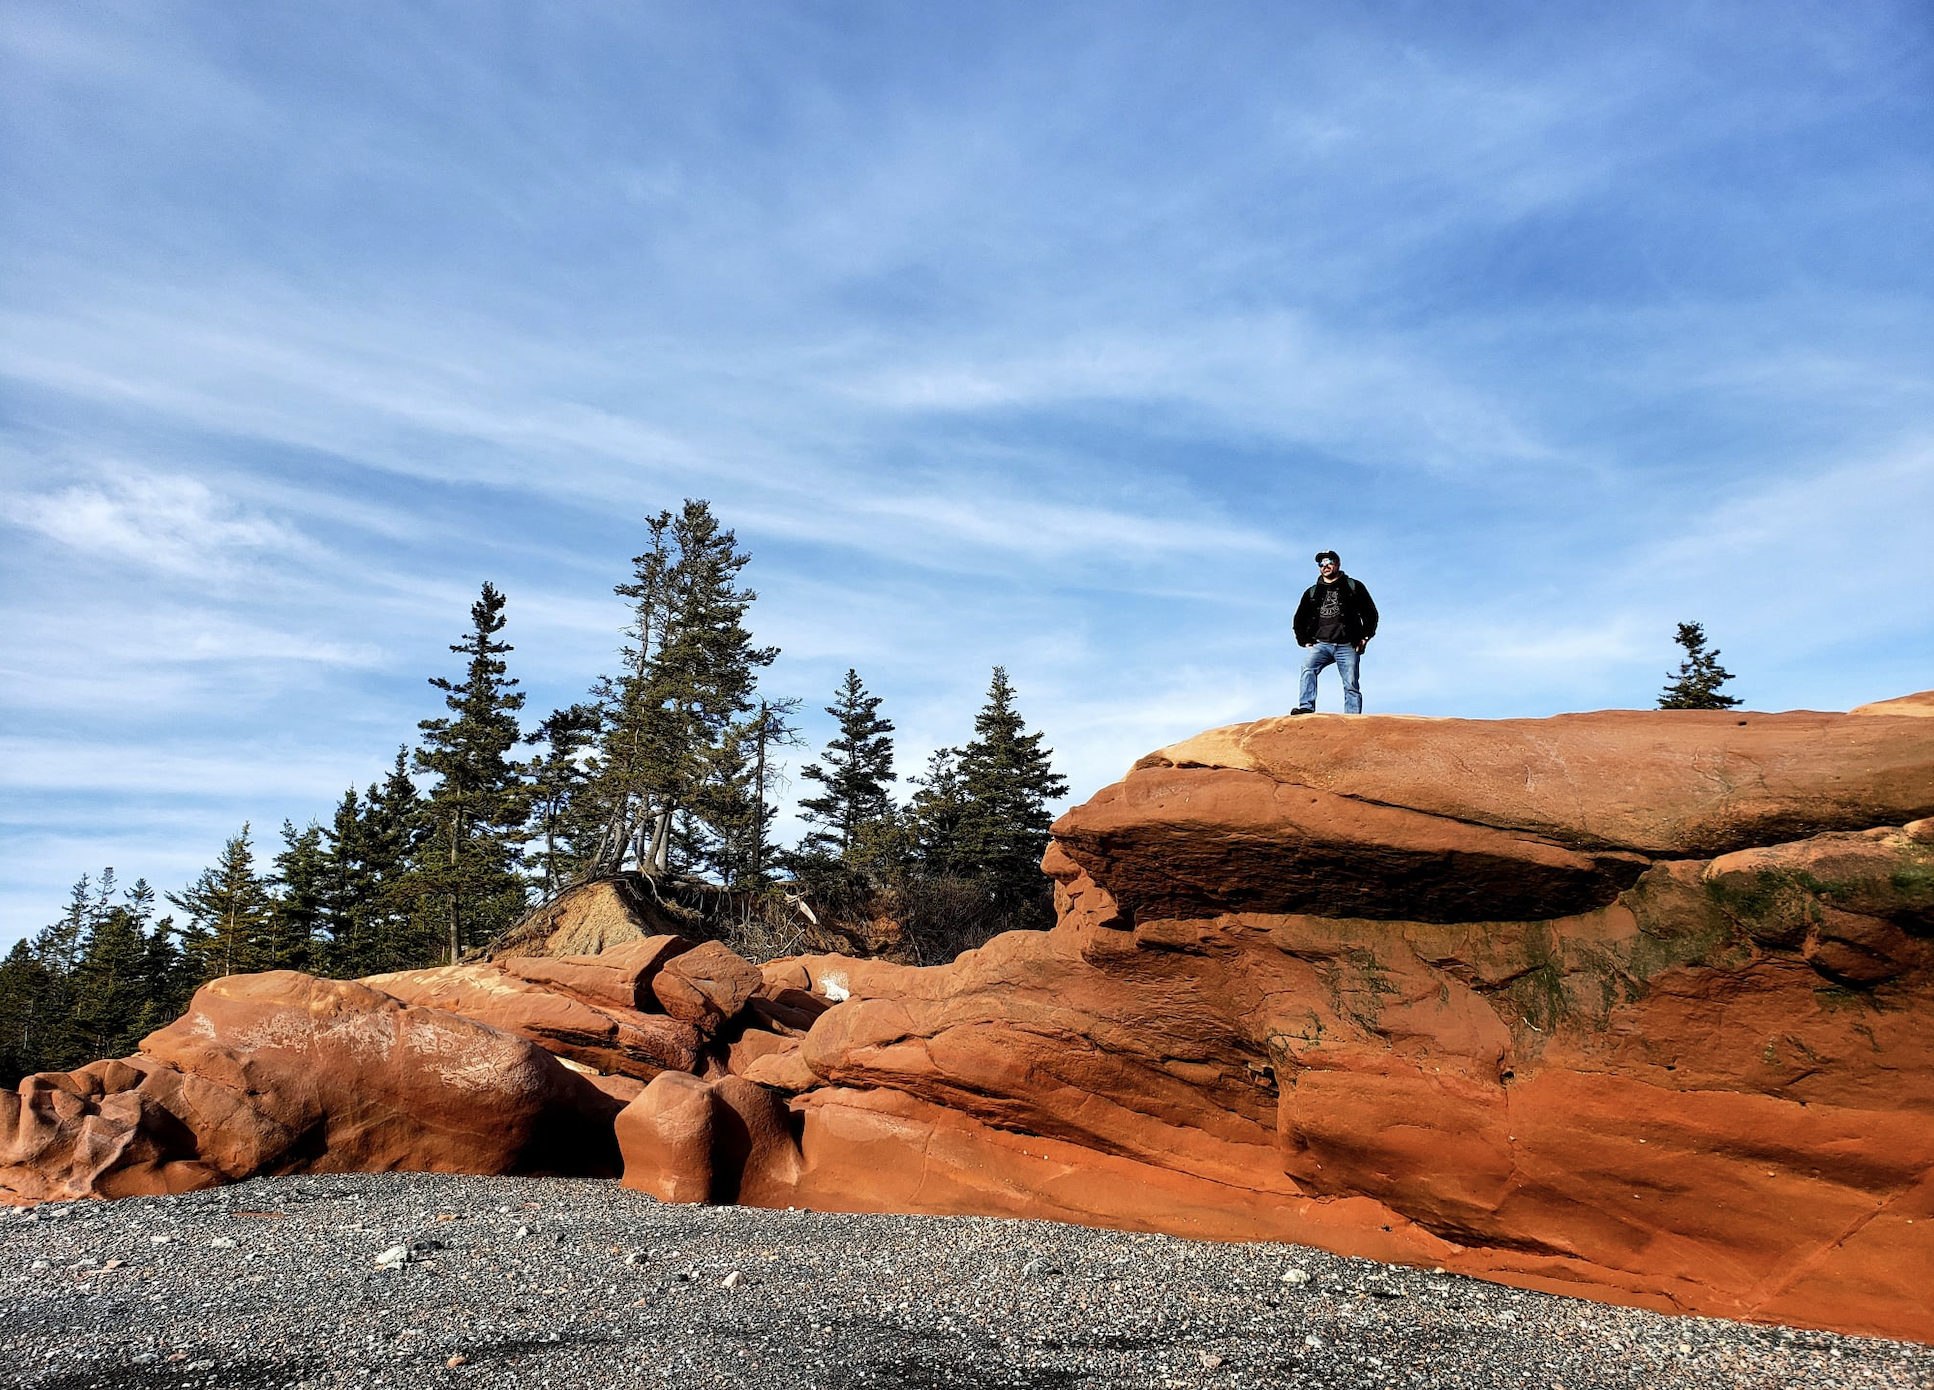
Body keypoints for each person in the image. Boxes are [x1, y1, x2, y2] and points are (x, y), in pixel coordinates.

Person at [1292, 551, 1378, 714]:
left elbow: (1370, 613)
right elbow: (1299, 618)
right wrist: (1303, 640)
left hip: (1347, 644)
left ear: (1338, 563)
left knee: (1351, 682)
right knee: (1308, 667)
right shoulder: (1312, 592)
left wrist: (1365, 636)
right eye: (1321, 563)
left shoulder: (1354, 586)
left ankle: (1352, 716)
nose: (1325, 565)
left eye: (1329, 561)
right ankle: (1306, 707)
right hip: (1321, 644)